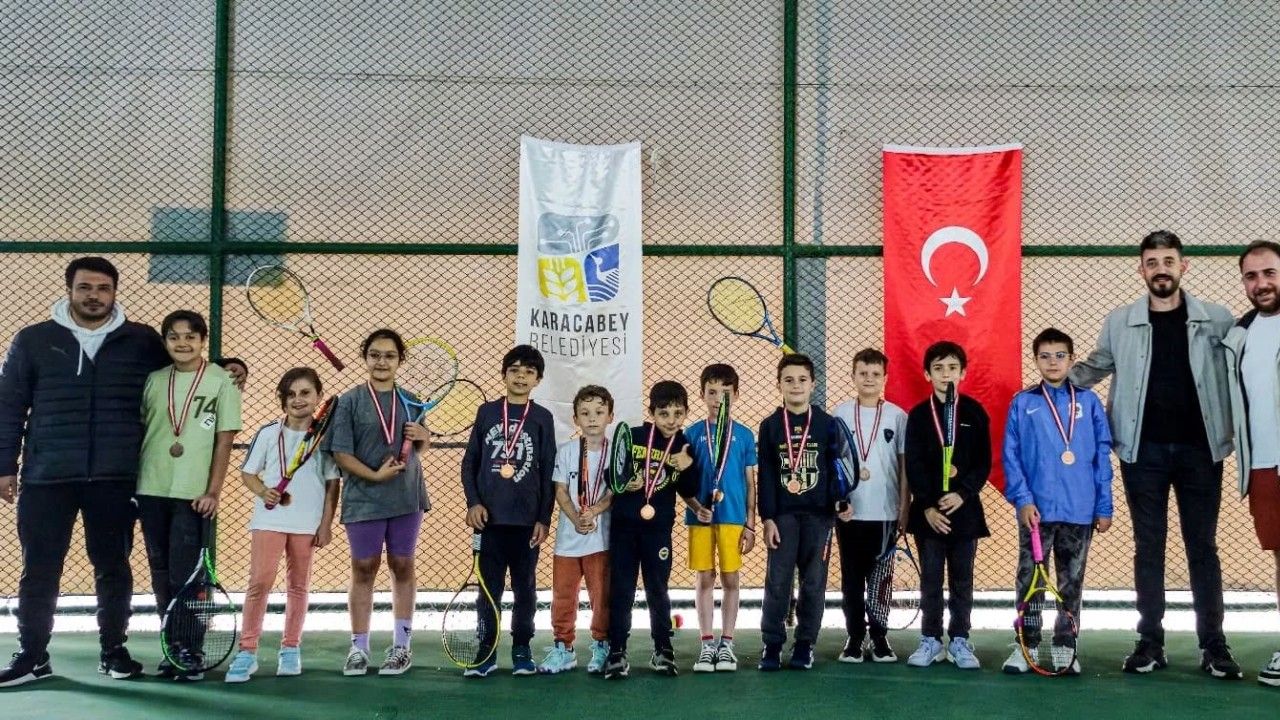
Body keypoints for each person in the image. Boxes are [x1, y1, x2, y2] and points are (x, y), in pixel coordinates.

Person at [1070, 230, 1240, 678]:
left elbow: (1241, 368)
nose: (1160, 269)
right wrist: (1048, 386)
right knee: (1148, 546)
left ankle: (1214, 645)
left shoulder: (1217, 319)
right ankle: (1150, 642)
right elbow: (1094, 367)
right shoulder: (1120, 321)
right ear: (1141, 269)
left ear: (1183, 266)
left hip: (1202, 451)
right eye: (1152, 262)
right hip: (1141, 451)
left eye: (1168, 261)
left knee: (1202, 546)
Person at [0, 257, 169, 686]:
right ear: (69, 290)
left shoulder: (142, 341)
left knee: (113, 566)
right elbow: (9, 405)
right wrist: (4, 466)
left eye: (102, 288)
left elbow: (179, 378)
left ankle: (113, 651)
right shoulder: (34, 340)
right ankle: (32, 655)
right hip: (47, 477)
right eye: (85, 288)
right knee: (40, 569)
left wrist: (228, 371)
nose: (94, 296)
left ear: (115, 292)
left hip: (115, 477)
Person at [136, 309, 242, 680]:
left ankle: (191, 649)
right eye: (174, 337)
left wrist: (213, 491)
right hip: (151, 488)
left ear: (202, 341)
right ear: (165, 341)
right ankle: (171, 647)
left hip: (193, 494)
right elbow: (142, 431)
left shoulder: (222, 381)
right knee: (160, 573)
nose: (182, 343)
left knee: (188, 577)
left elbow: (224, 440)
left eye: (190, 336)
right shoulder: (154, 380)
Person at [1000, 328, 1112, 675]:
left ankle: (1065, 645)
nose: (1053, 362)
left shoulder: (1089, 403)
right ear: (1036, 360)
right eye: (1045, 356)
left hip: (1079, 509)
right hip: (1036, 511)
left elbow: (1102, 456)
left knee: (1071, 581)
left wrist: (1104, 505)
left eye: (1060, 355)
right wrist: (1022, 499)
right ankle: (1027, 644)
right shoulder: (1023, 403)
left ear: (1072, 360)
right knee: (1030, 580)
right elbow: (1011, 455)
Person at [325, 329, 431, 677]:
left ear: (400, 360)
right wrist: (374, 475)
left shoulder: (412, 400)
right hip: (363, 497)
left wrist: (424, 436)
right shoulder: (349, 401)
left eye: (389, 355)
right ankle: (359, 648)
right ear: (365, 358)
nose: (381, 361)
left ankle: (401, 647)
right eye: (375, 354)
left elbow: (419, 449)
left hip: (406, 496)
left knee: (402, 564)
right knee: (364, 567)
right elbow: (340, 453)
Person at [226, 367, 340, 683]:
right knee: (260, 582)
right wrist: (264, 491)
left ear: (318, 396)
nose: (297, 399)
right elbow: (248, 473)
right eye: (290, 394)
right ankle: (247, 652)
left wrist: (326, 524)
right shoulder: (267, 433)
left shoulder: (325, 439)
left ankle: (290, 648)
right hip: (269, 519)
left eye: (305, 393)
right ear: (282, 399)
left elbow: (333, 484)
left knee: (298, 586)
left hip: (307, 523)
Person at [461, 345, 557, 678]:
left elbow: (548, 470)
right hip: (488, 521)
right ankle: (486, 651)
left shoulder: (542, 418)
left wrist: (543, 518)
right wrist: (473, 502)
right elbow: (470, 462)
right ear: (504, 374)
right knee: (488, 590)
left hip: (527, 523)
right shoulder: (487, 412)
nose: (520, 376)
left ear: (538, 379)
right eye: (514, 370)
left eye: (529, 372)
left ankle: (521, 649)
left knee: (525, 589)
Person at [757, 353, 854, 672]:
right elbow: (766, 475)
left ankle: (805, 644)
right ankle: (772, 644)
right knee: (778, 581)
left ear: (813, 384)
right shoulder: (770, 426)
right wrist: (767, 518)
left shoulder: (827, 424)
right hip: (783, 517)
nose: (795, 385)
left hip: (819, 517)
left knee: (814, 581)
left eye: (802, 380)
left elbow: (836, 467)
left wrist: (840, 500)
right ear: (779, 385)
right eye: (789, 380)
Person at [604, 380, 702, 679]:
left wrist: (687, 466)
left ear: (686, 413)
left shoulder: (685, 446)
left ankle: (663, 649)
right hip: (623, 529)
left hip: (658, 531)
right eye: (664, 413)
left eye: (677, 413)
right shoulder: (634, 436)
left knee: (657, 589)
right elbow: (611, 475)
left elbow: (689, 490)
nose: (671, 420)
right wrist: (624, 482)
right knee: (621, 589)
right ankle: (617, 650)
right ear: (652, 413)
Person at [903, 341, 990, 670]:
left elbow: (983, 462)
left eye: (952, 368)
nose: (945, 374)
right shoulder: (918, 416)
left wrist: (963, 493)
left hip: (964, 511)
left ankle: (960, 639)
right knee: (930, 580)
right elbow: (913, 464)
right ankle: (930, 639)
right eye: (938, 368)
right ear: (927, 374)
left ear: (963, 373)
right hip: (929, 515)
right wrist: (927, 506)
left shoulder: (975, 412)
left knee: (962, 580)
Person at [1223, 239, 1280, 687]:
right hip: (1263, 464)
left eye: (1270, 273)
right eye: (1251, 276)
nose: (1261, 283)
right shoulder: (1239, 334)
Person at [831, 348, 909, 664]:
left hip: (885, 512)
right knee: (851, 579)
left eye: (876, 374)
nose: (869, 379)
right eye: (863, 373)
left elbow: (903, 466)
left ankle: (879, 637)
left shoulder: (897, 416)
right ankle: (854, 636)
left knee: (881, 580)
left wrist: (904, 508)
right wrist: (838, 503)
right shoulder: (840, 414)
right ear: (853, 376)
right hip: (851, 513)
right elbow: (833, 464)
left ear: (885, 378)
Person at [685, 364, 757, 673]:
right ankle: (706, 644)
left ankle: (727, 643)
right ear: (702, 395)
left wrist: (750, 523)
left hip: (733, 518)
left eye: (725, 393)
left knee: (730, 578)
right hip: (699, 519)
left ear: (736, 395)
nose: (718, 399)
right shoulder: (691, 434)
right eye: (712, 392)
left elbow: (751, 482)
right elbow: (683, 481)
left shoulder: (744, 435)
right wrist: (694, 506)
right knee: (704, 578)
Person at [538, 385, 614, 675]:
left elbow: (614, 492)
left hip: (600, 540)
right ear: (576, 419)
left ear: (610, 416)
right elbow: (560, 490)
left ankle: (602, 645)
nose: (592, 418)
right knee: (563, 595)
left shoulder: (615, 453)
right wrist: (575, 519)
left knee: (601, 596)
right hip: (568, 541)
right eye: (585, 413)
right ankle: (563, 648)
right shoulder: (567, 451)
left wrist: (594, 512)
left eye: (599, 412)